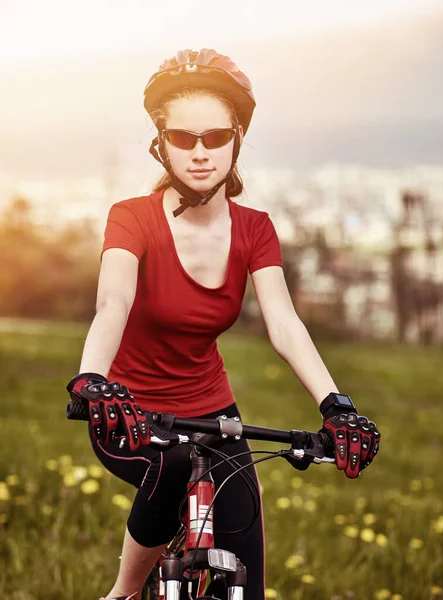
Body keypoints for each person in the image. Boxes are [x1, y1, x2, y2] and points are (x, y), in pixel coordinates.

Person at [66, 49, 380, 600]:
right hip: (129, 409)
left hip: (214, 414)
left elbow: (283, 324)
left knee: (247, 576)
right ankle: (121, 594)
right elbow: (112, 303)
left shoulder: (255, 229)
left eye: (215, 137)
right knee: (172, 464)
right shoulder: (131, 217)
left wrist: (337, 405)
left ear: (236, 138)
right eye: (183, 138)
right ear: (160, 143)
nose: (200, 152)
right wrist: (93, 379)